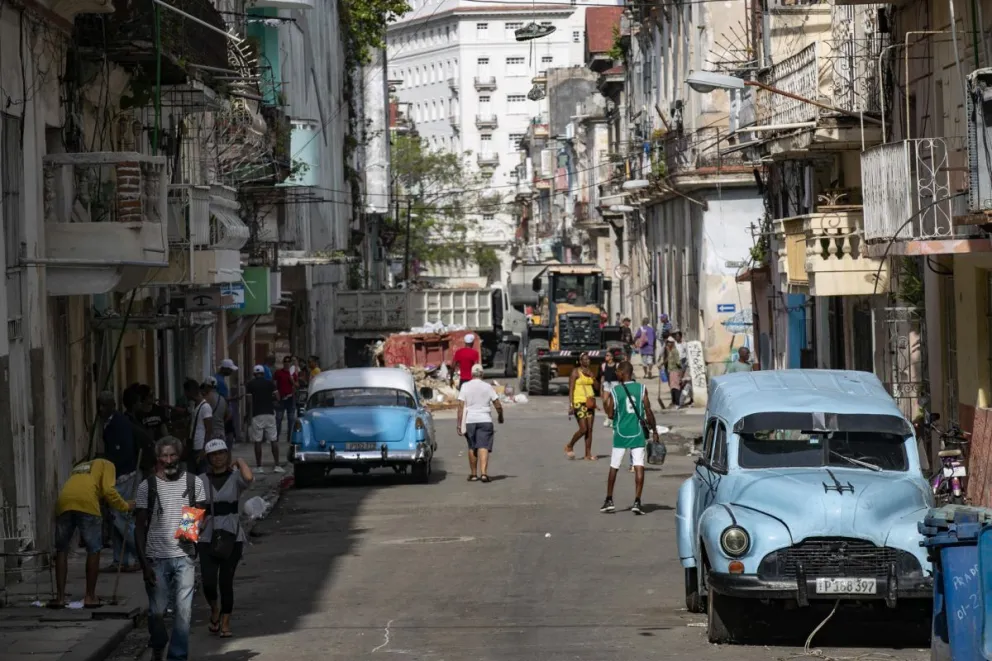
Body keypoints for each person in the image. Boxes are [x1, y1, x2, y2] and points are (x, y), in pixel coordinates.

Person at [135, 437, 207, 661]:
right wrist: (144, 565)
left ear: (180, 455)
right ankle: (158, 642)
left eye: (173, 455)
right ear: (158, 459)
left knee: (183, 613)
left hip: (184, 557)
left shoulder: (193, 483)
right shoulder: (147, 486)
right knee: (156, 613)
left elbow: (200, 512)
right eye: (164, 456)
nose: (169, 460)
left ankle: (177, 656)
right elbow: (139, 528)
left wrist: (190, 529)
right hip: (156, 559)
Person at [52, 457, 134, 608]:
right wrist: (125, 506)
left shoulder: (80, 467)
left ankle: (60, 597)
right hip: (87, 503)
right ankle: (90, 597)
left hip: (63, 502)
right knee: (94, 549)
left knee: (61, 550)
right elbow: (109, 490)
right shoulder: (108, 464)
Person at [198, 439, 253, 638]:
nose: (218, 457)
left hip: (232, 534)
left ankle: (225, 622)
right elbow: (193, 508)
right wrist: (185, 534)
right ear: (208, 458)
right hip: (207, 535)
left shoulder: (235, 477)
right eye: (214, 454)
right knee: (208, 581)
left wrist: (238, 460)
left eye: (222, 453)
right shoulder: (201, 480)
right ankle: (214, 609)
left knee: (226, 581)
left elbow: (249, 477)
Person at [602, 361, 659, 515]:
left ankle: (609, 500)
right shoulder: (641, 389)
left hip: (620, 432)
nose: (616, 374)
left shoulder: (616, 390)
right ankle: (637, 501)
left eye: (618, 372)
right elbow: (648, 410)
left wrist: (605, 402)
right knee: (639, 465)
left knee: (614, 466)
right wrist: (654, 430)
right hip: (637, 432)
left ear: (623, 372)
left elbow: (610, 414)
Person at [456, 364, 504, 482]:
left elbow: (461, 406)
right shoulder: (488, 387)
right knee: (483, 446)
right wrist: (500, 416)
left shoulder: (465, 386)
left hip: (470, 421)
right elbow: (497, 403)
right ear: (482, 374)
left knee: (472, 447)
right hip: (485, 420)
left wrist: (459, 423)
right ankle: (483, 474)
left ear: (472, 374)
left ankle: (473, 475)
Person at [246, 364, 281, 473]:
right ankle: (277, 465)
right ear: (263, 373)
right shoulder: (270, 383)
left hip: (257, 414)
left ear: (254, 374)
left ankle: (259, 466)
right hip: (270, 413)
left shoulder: (250, 384)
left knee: (258, 441)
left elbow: (249, 401)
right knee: (273, 440)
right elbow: (278, 397)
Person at [565, 352, 598, 461]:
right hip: (579, 402)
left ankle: (588, 454)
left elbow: (597, 387)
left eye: (588, 359)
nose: (587, 361)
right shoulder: (576, 372)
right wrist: (571, 405)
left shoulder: (590, 372)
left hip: (590, 402)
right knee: (583, 429)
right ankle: (570, 445)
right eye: (585, 359)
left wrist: (592, 377)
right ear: (580, 361)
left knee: (590, 429)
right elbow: (571, 389)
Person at [99, 391, 137, 477]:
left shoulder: (120, 423)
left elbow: (125, 450)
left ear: (112, 406)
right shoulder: (107, 422)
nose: (101, 409)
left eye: (104, 405)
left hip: (124, 474)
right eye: (100, 405)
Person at [183, 378, 213, 474]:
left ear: (190, 392)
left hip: (200, 447)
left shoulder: (205, 407)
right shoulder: (194, 406)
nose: (185, 395)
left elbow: (209, 430)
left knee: (201, 475)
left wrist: (204, 450)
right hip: (193, 446)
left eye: (186, 392)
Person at [273, 356, 297, 442]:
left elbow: (297, 385)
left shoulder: (293, 374)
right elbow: (274, 384)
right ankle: (275, 438)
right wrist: (276, 393)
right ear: (283, 363)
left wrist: (292, 380)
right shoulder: (278, 373)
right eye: (285, 362)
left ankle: (290, 438)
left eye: (288, 362)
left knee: (291, 419)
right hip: (281, 398)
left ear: (290, 363)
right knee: (278, 419)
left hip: (291, 398)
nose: (287, 363)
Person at [599, 351, 619, 429]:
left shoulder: (617, 365)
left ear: (612, 357)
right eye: (606, 355)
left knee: (612, 403)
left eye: (607, 355)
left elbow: (620, 375)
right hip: (606, 384)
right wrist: (601, 388)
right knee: (604, 401)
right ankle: (608, 416)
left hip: (615, 384)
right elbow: (602, 377)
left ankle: (612, 418)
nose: (606, 356)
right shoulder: (604, 365)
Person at [663, 336, 683, 408]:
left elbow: (678, 362)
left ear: (672, 343)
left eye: (669, 343)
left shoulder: (675, 351)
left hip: (675, 371)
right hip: (671, 371)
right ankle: (674, 402)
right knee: (672, 387)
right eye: (667, 342)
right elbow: (667, 359)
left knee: (676, 387)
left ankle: (677, 403)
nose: (668, 344)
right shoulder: (670, 350)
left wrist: (680, 371)